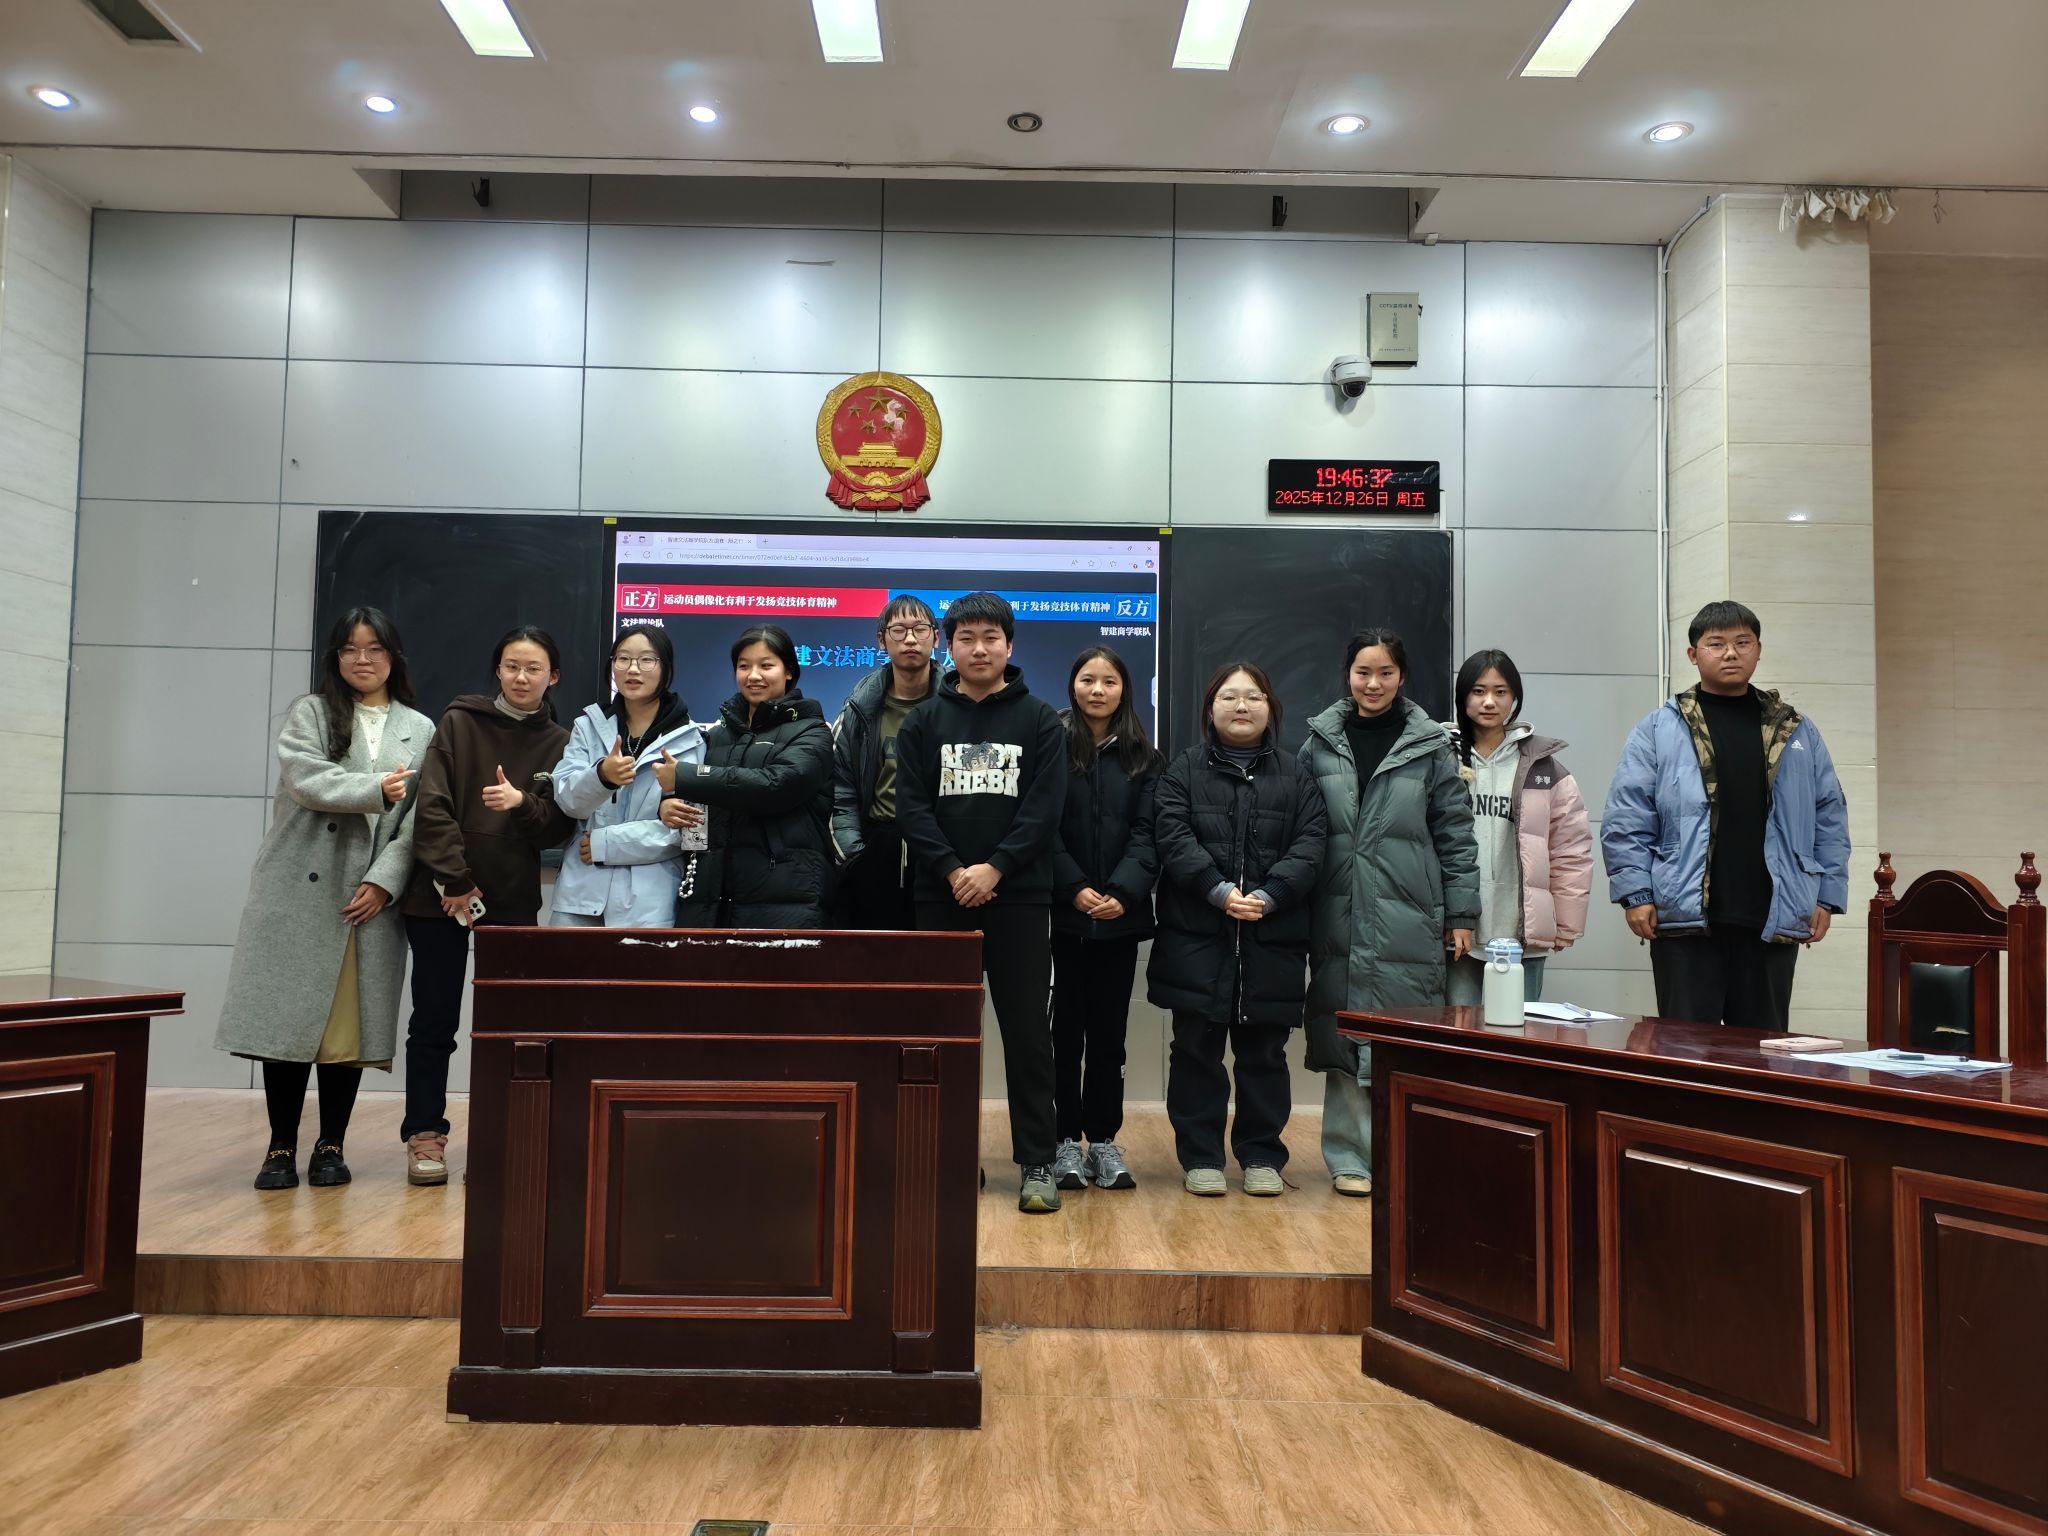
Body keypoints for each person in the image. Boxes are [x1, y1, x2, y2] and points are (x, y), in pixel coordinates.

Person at [216, 607, 431, 1190]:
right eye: (349, 649)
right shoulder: (311, 712)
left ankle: (331, 1144)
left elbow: (419, 822)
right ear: (334, 658)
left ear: (393, 657)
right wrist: (375, 787)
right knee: (287, 1026)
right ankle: (280, 1147)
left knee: (346, 1032)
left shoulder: (420, 728)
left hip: (367, 897)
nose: (363, 659)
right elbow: (306, 779)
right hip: (297, 890)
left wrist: (385, 881)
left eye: (374, 648)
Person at [895, 592, 1069, 1214]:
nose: (978, 648)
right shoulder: (923, 722)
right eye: (965, 638)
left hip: (1019, 898)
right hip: (940, 898)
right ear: (949, 647)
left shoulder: (1041, 720)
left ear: (1009, 646)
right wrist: (953, 870)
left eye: (990, 637)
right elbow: (911, 808)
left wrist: (995, 868)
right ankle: (948, 1156)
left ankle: (1038, 1162)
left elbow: (1045, 809)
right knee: (942, 1034)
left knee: (1028, 1034)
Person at [1603, 600, 1850, 1029]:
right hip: (1684, 918)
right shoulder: (1660, 728)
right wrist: (1636, 894)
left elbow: (1828, 815)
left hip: (1772, 915)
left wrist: (1826, 897)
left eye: (1742, 642)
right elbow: (1627, 816)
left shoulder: (1795, 730)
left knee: (1761, 1052)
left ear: (1758, 650)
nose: (1731, 653)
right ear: (1693, 654)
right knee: (1684, 1049)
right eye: (1716, 644)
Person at [1301, 628, 1479, 1197]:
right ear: (1347, 675)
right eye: (1363, 672)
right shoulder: (1319, 743)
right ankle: (1349, 1158)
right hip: (1336, 909)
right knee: (1342, 1030)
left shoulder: (1429, 747)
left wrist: (1462, 914)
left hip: (1410, 911)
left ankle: (1403, 1155)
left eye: (1385, 673)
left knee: (1402, 1035)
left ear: (1402, 677)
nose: (1373, 683)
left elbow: (1456, 835)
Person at [399, 625, 575, 1186]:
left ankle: (501, 1137)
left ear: (553, 677)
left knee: (507, 1028)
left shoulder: (562, 742)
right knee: (433, 1022)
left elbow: (556, 827)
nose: (522, 677)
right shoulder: (458, 722)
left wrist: (521, 803)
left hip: (513, 898)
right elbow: (431, 807)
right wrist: (454, 880)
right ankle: (425, 1135)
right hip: (440, 897)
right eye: (511, 666)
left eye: (534, 668)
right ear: (497, 670)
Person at [1148, 662, 1326, 1197]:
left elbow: (1312, 843)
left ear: (1271, 708)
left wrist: (1271, 896)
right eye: (1229, 697)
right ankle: (1201, 1156)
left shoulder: (1297, 774)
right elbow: (1172, 835)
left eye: (1253, 696)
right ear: (1210, 709)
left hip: (1272, 938)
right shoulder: (1182, 769)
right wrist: (1218, 890)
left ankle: (1262, 1155)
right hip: (1197, 937)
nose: (1241, 706)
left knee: (1265, 1056)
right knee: (1195, 1053)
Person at [1049, 646, 1162, 1192]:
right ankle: (1063, 1139)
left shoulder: (1146, 756)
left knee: (1110, 1035)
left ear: (1124, 689)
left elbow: (1151, 832)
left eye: (1109, 681)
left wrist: (1122, 891)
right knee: (1063, 1032)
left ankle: (1103, 1140)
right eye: (1088, 679)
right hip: (1061, 917)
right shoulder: (1050, 745)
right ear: (1073, 685)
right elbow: (1039, 826)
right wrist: (1073, 888)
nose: (1098, 690)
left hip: (1121, 917)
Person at [657, 623, 834, 928]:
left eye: (766, 665)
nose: (753, 675)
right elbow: (702, 807)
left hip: (785, 897)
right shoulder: (718, 734)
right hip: (711, 896)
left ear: (789, 671)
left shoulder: (813, 731)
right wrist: (669, 805)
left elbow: (775, 787)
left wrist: (687, 777)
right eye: (743, 666)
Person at [1444, 649, 1594, 1006]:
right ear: (1462, 696)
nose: (1489, 702)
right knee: (1456, 1032)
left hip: (1521, 934)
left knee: (1519, 1031)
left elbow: (1570, 848)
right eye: (1478, 691)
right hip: (1457, 930)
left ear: (1515, 698)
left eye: (1501, 692)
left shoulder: (1544, 768)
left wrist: (1566, 922)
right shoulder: (1440, 759)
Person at [551, 623, 704, 928]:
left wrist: (606, 843)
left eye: (647, 659)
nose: (633, 669)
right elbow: (568, 801)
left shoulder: (692, 739)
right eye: (623, 658)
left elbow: (692, 832)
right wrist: (601, 777)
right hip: (579, 897)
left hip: (649, 906)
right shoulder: (588, 727)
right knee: (565, 961)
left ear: (666, 668)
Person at [830, 595, 940, 930]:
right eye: (899, 630)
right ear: (881, 640)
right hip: (876, 848)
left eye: (920, 629)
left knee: (936, 955)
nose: (910, 639)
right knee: (875, 956)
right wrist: (854, 856)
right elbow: (839, 789)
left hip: (941, 852)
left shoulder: (958, 705)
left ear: (936, 638)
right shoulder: (859, 710)